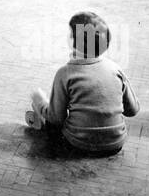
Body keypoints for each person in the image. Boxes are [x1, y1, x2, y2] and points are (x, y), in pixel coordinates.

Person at [25, 11, 140, 156]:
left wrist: (39, 101)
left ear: (74, 41)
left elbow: (57, 118)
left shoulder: (65, 73)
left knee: (51, 119)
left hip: (78, 145)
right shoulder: (115, 69)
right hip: (115, 145)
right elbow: (133, 110)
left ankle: (40, 120)